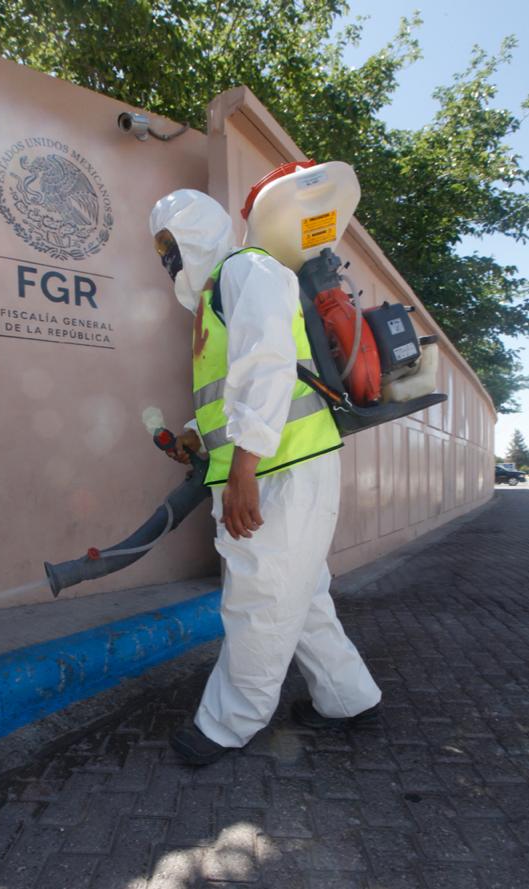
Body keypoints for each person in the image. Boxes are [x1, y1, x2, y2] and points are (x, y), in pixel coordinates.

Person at [150, 189, 382, 765]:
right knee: (300, 596)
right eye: (159, 249)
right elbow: (235, 390)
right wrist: (196, 433)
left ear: (197, 234)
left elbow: (270, 366)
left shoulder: (245, 270)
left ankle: (226, 725)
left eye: (170, 243)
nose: (167, 259)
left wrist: (244, 470)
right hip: (276, 465)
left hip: (280, 469)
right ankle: (348, 698)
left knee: (260, 602)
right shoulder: (217, 294)